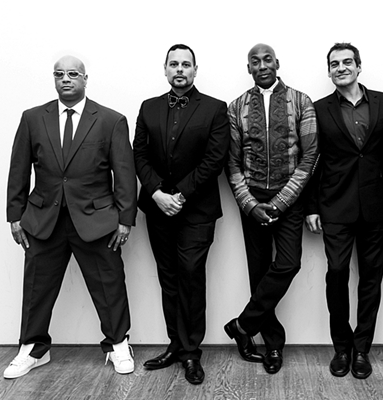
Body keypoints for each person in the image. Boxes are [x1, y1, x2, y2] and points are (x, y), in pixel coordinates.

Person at [5, 55, 137, 378]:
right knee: (36, 287)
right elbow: (19, 168)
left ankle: (118, 344)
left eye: (73, 73)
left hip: (96, 221)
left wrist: (125, 219)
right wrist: (15, 215)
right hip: (43, 220)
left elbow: (124, 173)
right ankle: (32, 349)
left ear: (85, 79)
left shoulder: (110, 120)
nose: (66, 79)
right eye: (59, 74)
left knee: (109, 285)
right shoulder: (33, 118)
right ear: (54, 79)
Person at [133, 44, 230, 385]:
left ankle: (191, 352)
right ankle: (175, 345)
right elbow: (139, 154)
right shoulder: (148, 107)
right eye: (173, 64)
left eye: (185, 64)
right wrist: (157, 193)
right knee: (168, 278)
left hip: (197, 210)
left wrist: (180, 195)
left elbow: (214, 159)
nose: (179, 69)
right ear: (165, 69)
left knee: (190, 276)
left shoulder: (215, 109)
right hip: (157, 207)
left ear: (195, 70)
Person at [305, 43, 383, 379]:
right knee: (337, 273)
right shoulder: (318, 109)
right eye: (334, 64)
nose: (341, 67)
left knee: (371, 279)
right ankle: (341, 348)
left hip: (376, 205)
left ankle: (362, 349)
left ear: (359, 67)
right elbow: (312, 159)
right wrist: (311, 206)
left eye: (347, 62)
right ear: (329, 71)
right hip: (335, 204)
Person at [224, 43, 318, 375]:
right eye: (255, 61)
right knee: (260, 273)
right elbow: (231, 162)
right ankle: (272, 344)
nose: (262, 65)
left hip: (289, 199)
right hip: (251, 200)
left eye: (267, 59)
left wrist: (280, 202)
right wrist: (249, 204)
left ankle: (241, 325)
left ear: (277, 63)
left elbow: (310, 156)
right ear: (248, 68)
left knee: (289, 263)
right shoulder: (236, 107)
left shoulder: (301, 101)